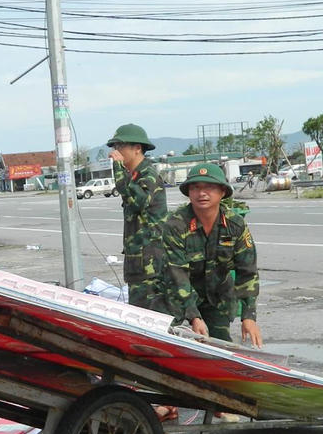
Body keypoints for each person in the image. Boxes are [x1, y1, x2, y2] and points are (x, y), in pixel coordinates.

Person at [161, 163, 263, 347]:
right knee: (174, 346)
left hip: (217, 297)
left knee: (220, 348)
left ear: (222, 192)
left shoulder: (235, 225)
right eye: (196, 187)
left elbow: (247, 271)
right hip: (178, 296)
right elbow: (177, 275)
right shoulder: (175, 225)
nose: (202, 193)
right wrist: (193, 317)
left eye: (209, 187)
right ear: (189, 192)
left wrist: (249, 316)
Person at [106, 123, 167, 310]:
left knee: (151, 318)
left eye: (120, 146)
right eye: (115, 147)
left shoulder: (147, 175)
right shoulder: (133, 175)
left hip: (150, 266)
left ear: (137, 148)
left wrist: (117, 169)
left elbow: (138, 200)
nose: (116, 152)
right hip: (138, 263)